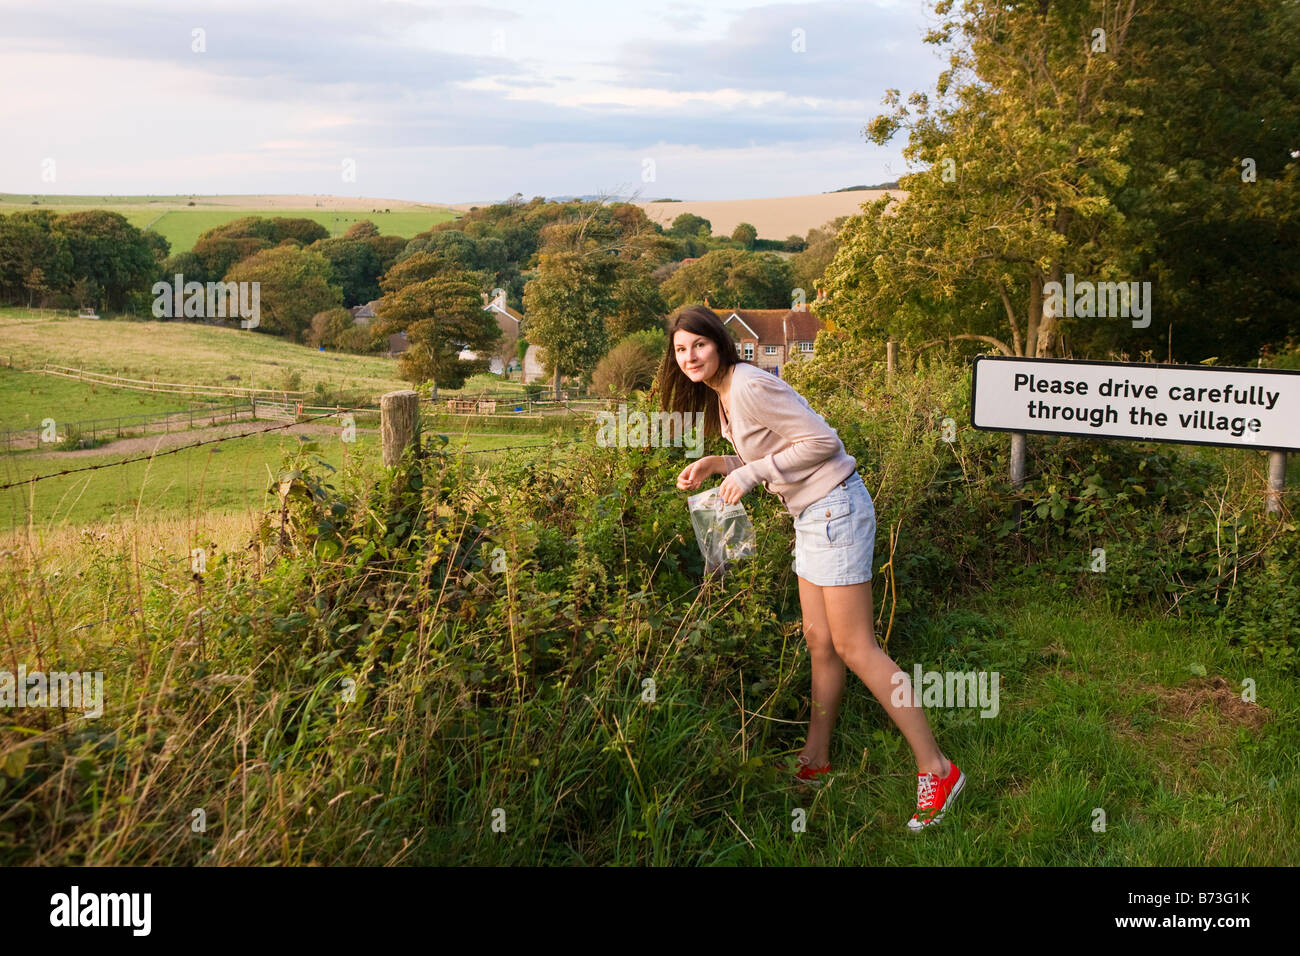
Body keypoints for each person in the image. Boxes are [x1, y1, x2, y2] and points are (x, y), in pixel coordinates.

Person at [657, 305, 965, 830]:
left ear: (721, 344)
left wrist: (753, 473)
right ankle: (815, 759)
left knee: (856, 646)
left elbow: (823, 442)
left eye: (699, 345)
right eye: (681, 349)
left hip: (835, 509)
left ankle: (937, 769)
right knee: (819, 640)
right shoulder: (727, 394)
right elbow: (782, 448)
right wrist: (718, 463)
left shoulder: (749, 385)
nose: (690, 357)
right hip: (811, 515)